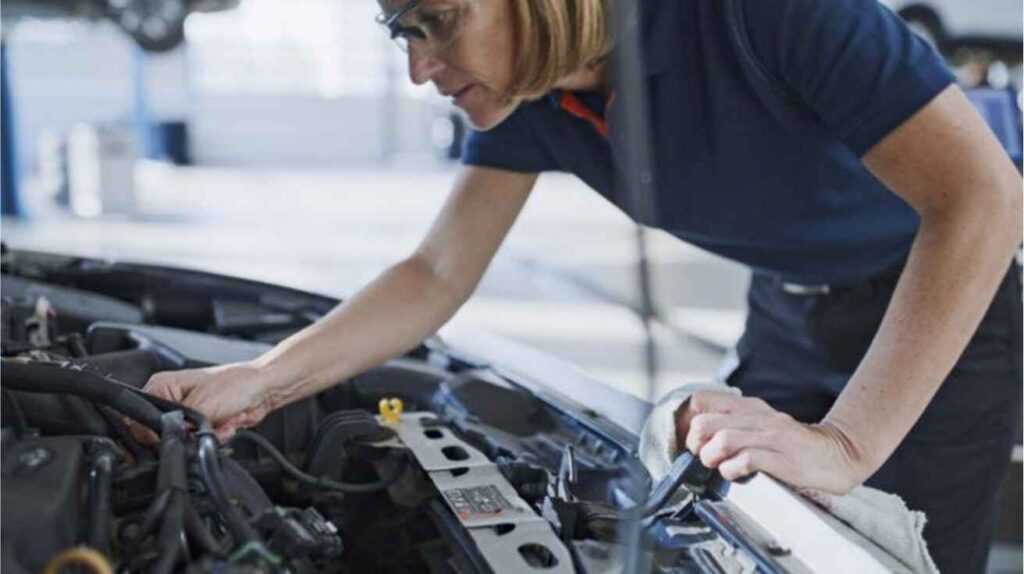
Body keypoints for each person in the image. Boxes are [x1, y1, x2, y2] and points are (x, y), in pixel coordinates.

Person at [144, 0, 1023, 570]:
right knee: (734, 537)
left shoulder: (764, 12)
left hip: (950, 294)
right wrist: (265, 378)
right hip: (788, 301)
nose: (419, 68)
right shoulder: (537, 96)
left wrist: (845, 444)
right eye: (400, 31)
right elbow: (437, 270)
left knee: (901, 559)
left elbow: (983, 199)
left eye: (437, 21)